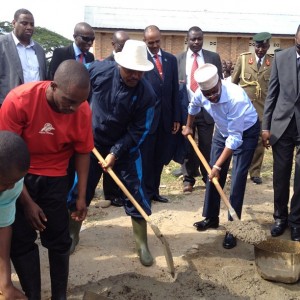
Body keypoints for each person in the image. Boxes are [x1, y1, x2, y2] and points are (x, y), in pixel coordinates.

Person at [0, 60, 94, 299]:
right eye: (69, 102)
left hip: (56, 177)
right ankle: (33, 295)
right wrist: (27, 203)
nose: (73, 109)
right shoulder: (19, 101)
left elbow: (83, 151)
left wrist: (81, 195)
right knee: (21, 242)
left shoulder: (81, 109)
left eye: (80, 103)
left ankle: (59, 295)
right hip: (18, 177)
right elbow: (6, 163)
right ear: (52, 86)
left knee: (59, 240)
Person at [85, 40, 156, 266]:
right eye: (129, 70)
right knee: (81, 188)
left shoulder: (147, 95)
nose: (134, 75)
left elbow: (140, 130)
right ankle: (72, 233)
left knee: (134, 191)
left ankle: (142, 243)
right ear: (119, 65)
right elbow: (76, 84)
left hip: (125, 146)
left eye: (139, 72)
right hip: (92, 143)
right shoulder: (98, 71)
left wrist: (115, 152)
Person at [182, 63, 259, 249]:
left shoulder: (235, 97)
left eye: (214, 92)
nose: (212, 97)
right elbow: (193, 107)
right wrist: (189, 126)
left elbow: (235, 139)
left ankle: (233, 229)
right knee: (212, 176)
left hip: (245, 133)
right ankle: (211, 218)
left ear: (219, 84)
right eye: (208, 94)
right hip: (222, 131)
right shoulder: (203, 93)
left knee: (237, 180)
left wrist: (217, 165)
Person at [48, 21, 95, 254]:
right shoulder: (60, 54)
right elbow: (53, 87)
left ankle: (66, 229)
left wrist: (80, 112)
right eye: (85, 39)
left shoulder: (92, 60)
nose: (88, 43)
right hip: (54, 120)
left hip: (77, 121)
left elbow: (89, 94)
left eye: (91, 40)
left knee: (71, 175)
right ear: (75, 37)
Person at [262, 25, 300, 241]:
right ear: (294, 38)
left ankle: (296, 222)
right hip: (282, 126)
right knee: (281, 175)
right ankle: (280, 218)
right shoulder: (281, 58)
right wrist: (266, 127)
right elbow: (272, 95)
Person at [177, 26, 223, 193]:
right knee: (188, 144)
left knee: (206, 144)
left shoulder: (213, 57)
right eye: (193, 39)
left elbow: (220, 84)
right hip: (186, 109)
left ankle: (207, 175)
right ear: (187, 40)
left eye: (199, 39)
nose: (196, 42)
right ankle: (188, 179)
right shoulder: (179, 59)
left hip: (207, 110)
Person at [141, 25, 181, 203]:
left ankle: (155, 191)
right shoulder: (141, 60)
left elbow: (174, 91)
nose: (155, 45)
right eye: (151, 43)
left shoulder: (170, 60)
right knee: (146, 159)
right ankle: (145, 194)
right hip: (148, 120)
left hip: (166, 119)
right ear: (145, 41)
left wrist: (176, 117)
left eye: (157, 41)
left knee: (160, 157)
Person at [232, 32, 273, 185]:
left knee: (259, 142)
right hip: (243, 109)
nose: (260, 50)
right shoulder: (243, 59)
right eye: (258, 46)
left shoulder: (272, 62)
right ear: (254, 46)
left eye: (263, 47)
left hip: (263, 109)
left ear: (268, 46)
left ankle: (255, 172)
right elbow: (233, 84)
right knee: (240, 138)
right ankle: (239, 167)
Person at [101, 30, 130, 207]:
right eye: (121, 46)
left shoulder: (132, 65)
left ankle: (117, 192)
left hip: (123, 121)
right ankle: (109, 194)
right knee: (104, 159)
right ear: (113, 45)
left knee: (117, 156)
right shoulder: (105, 65)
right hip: (105, 121)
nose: (125, 49)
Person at [0, 131, 30, 300]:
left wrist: (6, 284)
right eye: (5, 183)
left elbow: (3, 227)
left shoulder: (12, 186)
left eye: (15, 182)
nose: (11, 187)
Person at [0, 8, 47, 105]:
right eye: (24, 23)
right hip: (7, 105)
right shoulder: (2, 44)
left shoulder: (40, 50)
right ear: (13, 23)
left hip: (35, 106)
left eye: (32, 24)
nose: (29, 27)